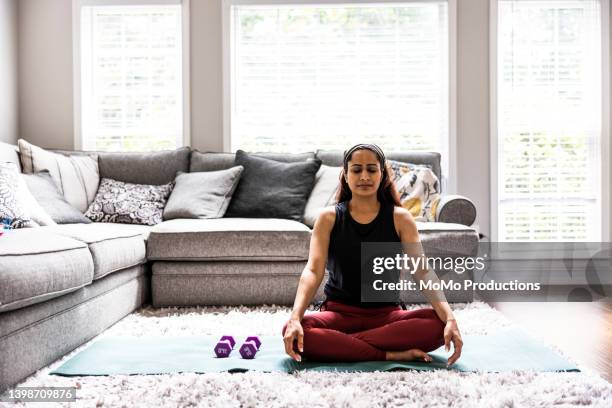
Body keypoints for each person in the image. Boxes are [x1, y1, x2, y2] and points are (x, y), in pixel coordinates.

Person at [282, 143, 463, 366]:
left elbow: (423, 271)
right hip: (339, 315)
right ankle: (388, 354)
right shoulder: (328, 218)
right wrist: (295, 318)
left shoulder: (401, 218)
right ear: (346, 175)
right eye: (357, 170)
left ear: (382, 174)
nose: (364, 176)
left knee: (438, 324)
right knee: (295, 329)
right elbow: (312, 270)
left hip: (387, 317)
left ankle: (341, 346)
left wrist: (450, 318)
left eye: (371, 169)